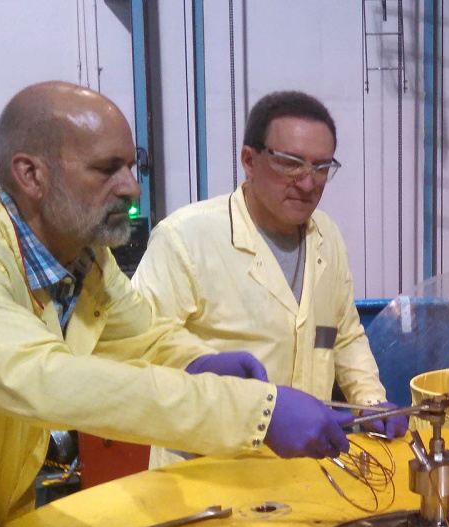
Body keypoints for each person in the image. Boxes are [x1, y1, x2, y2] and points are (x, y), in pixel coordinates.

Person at [0, 81, 357, 527]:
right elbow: (45, 379)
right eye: (106, 169)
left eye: (131, 165)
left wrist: (197, 360)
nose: (132, 187)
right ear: (31, 174)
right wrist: (256, 413)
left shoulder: (85, 258)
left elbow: (141, 335)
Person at [132, 91, 406, 469]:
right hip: (208, 470)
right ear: (249, 160)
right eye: (291, 164)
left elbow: (342, 335)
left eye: (321, 168)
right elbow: (139, 353)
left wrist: (371, 404)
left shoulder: (327, 236)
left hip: (309, 467)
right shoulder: (185, 240)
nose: (308, 184)